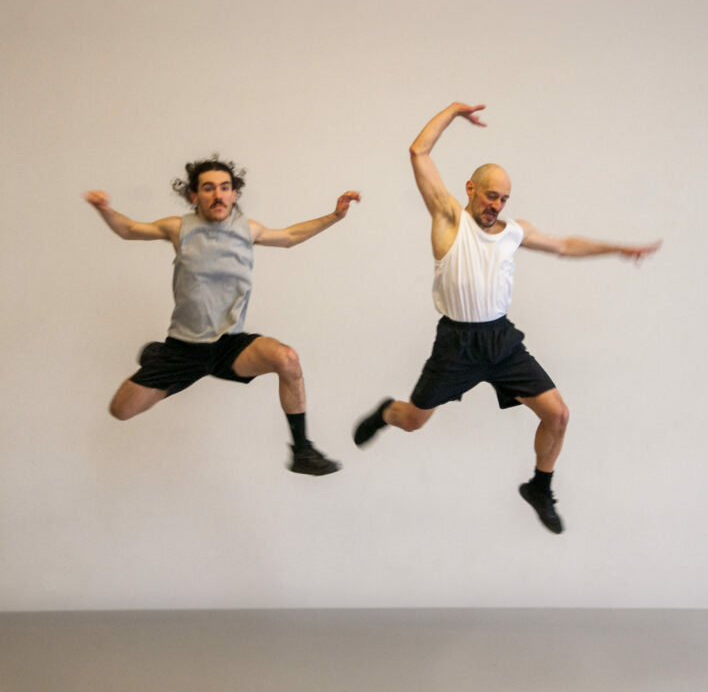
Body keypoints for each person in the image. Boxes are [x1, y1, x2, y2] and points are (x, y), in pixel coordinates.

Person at [353, 103, 660, 532]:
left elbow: (565, 246)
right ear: (470, 189)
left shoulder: (515, 232)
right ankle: (387, 412)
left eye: (502, 198)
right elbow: (418, 152)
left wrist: (617, 249)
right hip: (456, 343)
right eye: (490, 195)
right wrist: (454, 111)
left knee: (558, 415)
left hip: (500, 341)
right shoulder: (449, 218)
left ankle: (539, 486)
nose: (495, 205)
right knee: (412, 422)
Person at [85, 156, 360, 476]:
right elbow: (130, 229)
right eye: (208, 188)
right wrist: (104, 209)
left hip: (229, 344)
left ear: (234, 193)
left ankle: (302, 451)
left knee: (287, 359)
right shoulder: (179, 228)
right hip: (184, 348)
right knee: (121, 410)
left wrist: (335, 216)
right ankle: (159, 357)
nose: (218, 195)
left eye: (225, 188)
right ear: (194, 195)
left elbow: (289, 237)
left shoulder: (248, 229)